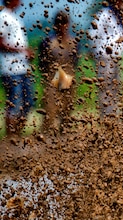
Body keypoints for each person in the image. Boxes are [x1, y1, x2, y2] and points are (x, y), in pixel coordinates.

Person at [38, 11, 79, 135]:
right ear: (55, 25)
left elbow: (75, 61)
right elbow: (42, 63)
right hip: (52, 76)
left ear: (68, 24)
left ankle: (64, 137)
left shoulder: (73, 42)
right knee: (50, 109)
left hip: (68, 75)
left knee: (67, 109)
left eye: (64, 23)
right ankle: (46, 136)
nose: (62, 26)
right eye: (59, 23)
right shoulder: (48, 42)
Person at [0, 0, 34, 141]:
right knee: (15, 103)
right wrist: (21, 51)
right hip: (10, 68)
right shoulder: (3, 16)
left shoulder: (15, 17)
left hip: (21, 67)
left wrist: (25, 53)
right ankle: (10, 138)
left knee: (28, 102)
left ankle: (16, 136)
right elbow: (0, 42)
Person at [88, 0, 123, 118]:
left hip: (115, 58)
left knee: (115, 87)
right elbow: (92, 34)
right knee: (105, 88)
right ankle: (105, 118)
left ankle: (113, 116)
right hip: (105, 58)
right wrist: (95, 51)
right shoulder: (103, 14)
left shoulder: (117, 15)